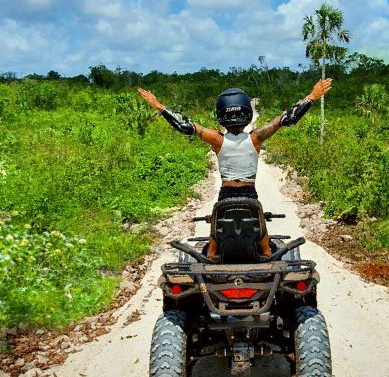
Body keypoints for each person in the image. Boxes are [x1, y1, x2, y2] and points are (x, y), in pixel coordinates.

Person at [137, 79, 333, 259]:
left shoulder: (217, 139)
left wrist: (158, 105)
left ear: (221, 115)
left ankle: (213, 253)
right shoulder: (256, 138)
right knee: (259, 220)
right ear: (247, 112)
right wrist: (311, 96)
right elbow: (286, 118)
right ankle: (265, 252)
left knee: (216, 222)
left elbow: (185, 125)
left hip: (226, 194)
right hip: (249, 193)